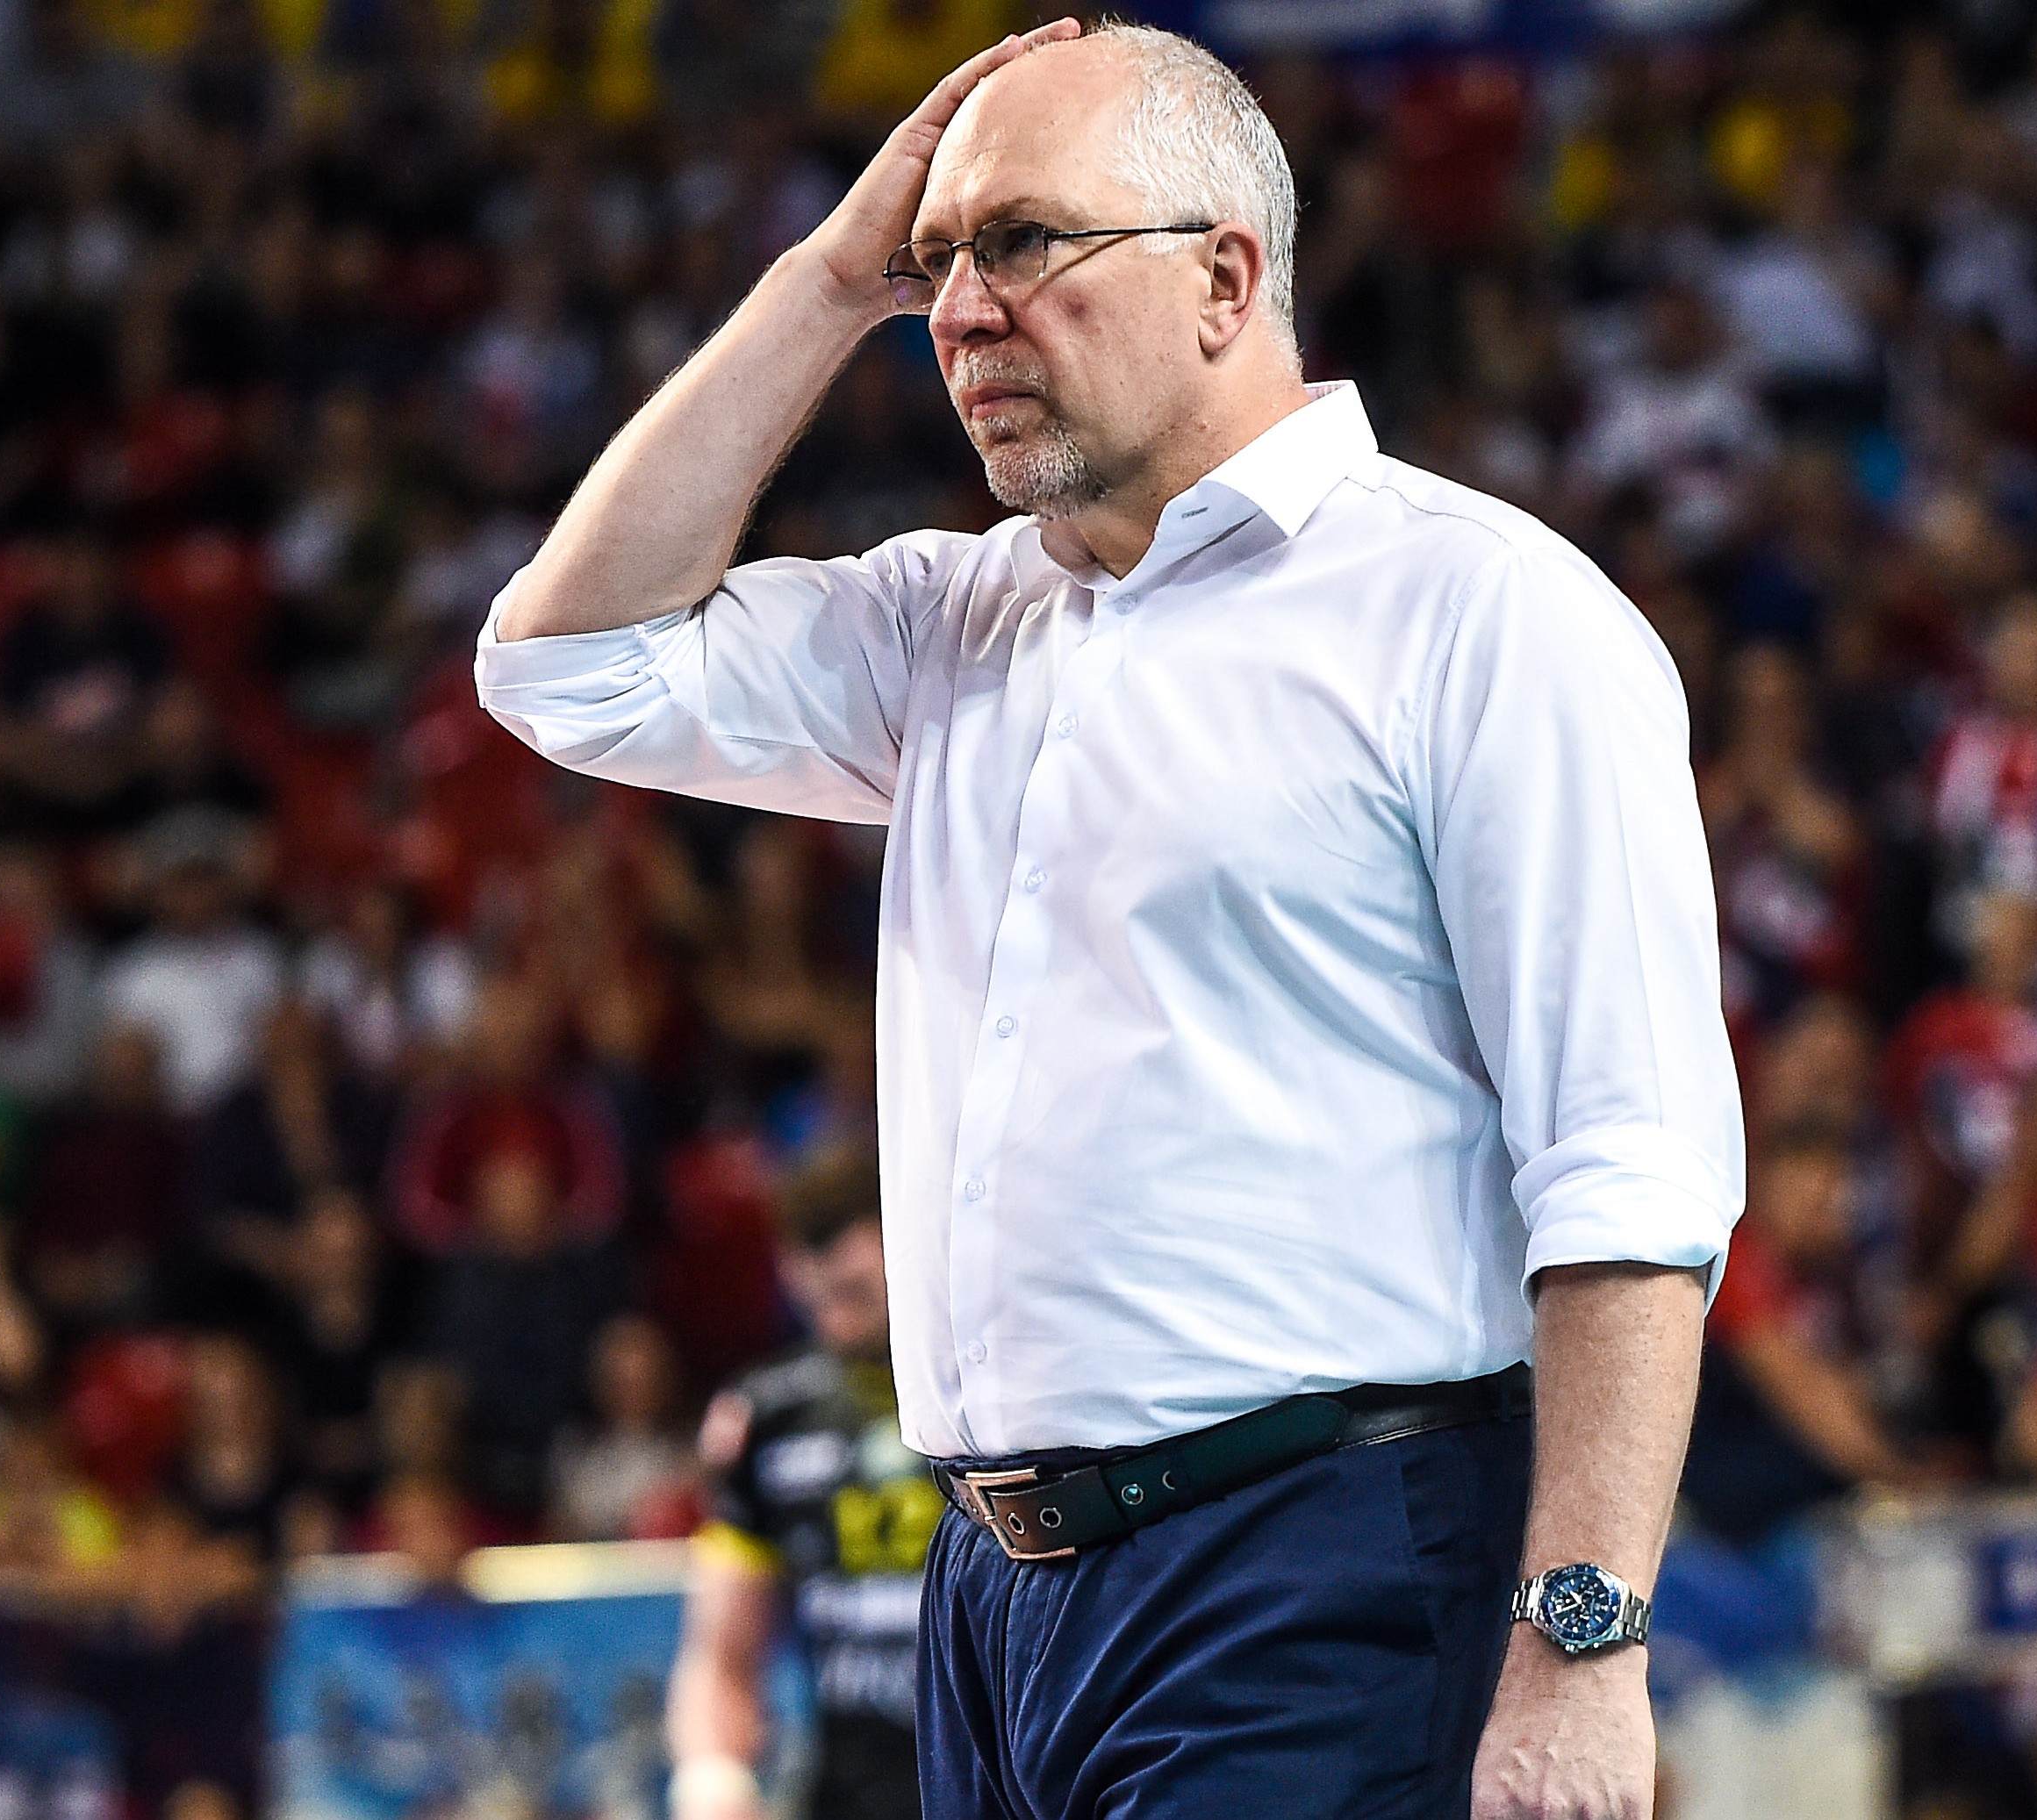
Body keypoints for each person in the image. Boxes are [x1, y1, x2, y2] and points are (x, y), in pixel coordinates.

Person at [475, 21, 1744, 1818]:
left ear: (1224, 277)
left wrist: (1583, 1637)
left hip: (1318, 1559)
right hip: (992, 1591)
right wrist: (823, 284)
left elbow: (1626, 1165)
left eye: (1018, 242)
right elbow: (563, 668)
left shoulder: (1479, 612)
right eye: (932, 263)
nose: (955, 312)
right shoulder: (950, 622)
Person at [670, 1150, 939, 1820]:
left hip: (1000, 1787)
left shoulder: (996, 1407)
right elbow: (720, 1655)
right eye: (815, 1299)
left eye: (854, 1292)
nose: (834, 1321)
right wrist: (713, 1776)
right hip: (850, 1794)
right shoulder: (765, 1418)